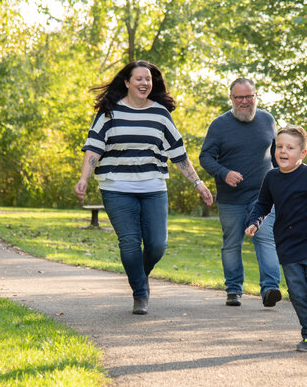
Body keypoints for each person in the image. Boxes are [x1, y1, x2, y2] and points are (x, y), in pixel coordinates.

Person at [75, 60, 213, 315]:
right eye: (138, 79)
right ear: (127, 83)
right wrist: (84, 178)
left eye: (148, 79)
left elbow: (178, 154)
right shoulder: (110, 113)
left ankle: (139, 274)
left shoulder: (160, 114)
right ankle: (140, 293)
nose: (144, 83)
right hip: (116, 186)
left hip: (153, 187)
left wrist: (198, 182)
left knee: (158, 244)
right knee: (129, 243)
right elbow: (93, 147)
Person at [245, 125, 307, 352]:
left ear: (302, 153)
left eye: (290, 147)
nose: (283, 151)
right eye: (279, 146)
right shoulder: (271, 178)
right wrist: (254, 221)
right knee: (297, 293)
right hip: (288, 244)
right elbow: (262, 204)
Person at [200, 78, 282, 308]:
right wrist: (223, 172)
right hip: (231, 199)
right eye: (239, 97)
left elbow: (276, 157)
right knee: (232, 243)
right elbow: (205, 157)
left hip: (263, 197)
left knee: (266, 239)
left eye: (249, 96)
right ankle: (234, 290)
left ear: (256, 96)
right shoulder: (219, 125)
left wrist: (282, 186)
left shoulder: (268, 120)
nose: (245, 101)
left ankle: (270, 289)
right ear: (231, 98)